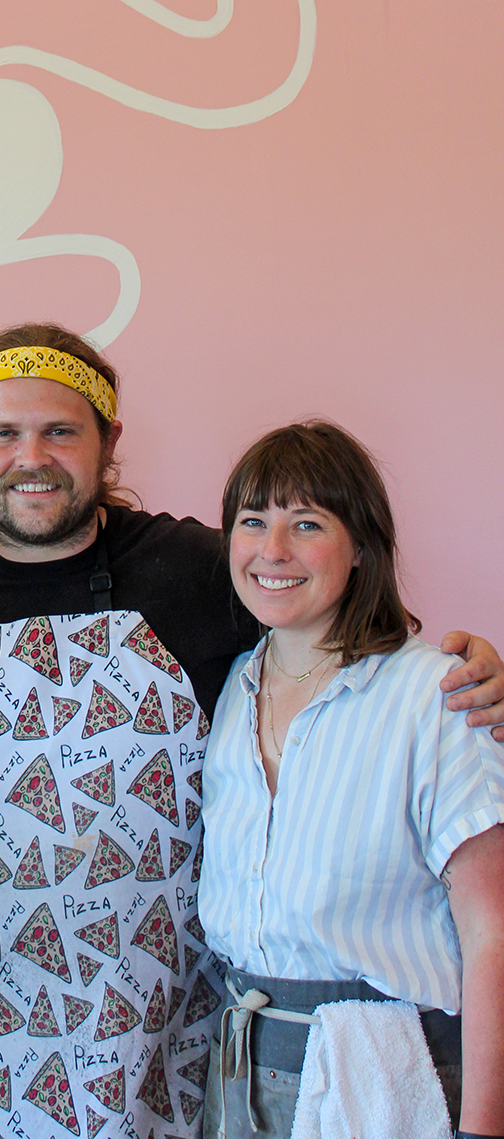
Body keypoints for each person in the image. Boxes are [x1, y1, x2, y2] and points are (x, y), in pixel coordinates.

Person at [0, 323, 504, 1139]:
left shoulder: (202, 568)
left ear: (108, 440)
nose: (33, 456)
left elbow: (349, 638)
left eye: (61, 430)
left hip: (161, 1054)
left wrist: (478, 671)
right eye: (3, 434)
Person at [199, 421, 504, 1138]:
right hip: (241, 1068)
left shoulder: (436, 694)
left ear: (361, 546)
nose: (273, 551)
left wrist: (484, 1127)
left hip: (394, 1069)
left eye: (307, 524)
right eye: (253, 522)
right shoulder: (235, 687)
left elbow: (493, 930)